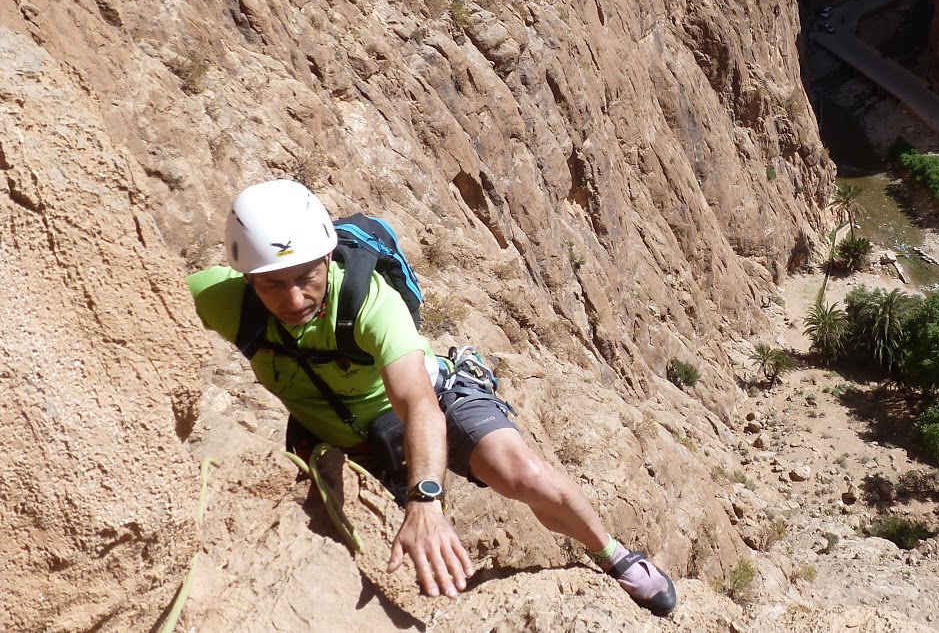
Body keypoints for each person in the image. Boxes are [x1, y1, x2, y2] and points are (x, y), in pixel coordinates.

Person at [186, 179, 676, 615]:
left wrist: (426, 499)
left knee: (521, 473)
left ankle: (614, 554)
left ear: (328, 259)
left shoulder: (369, 302)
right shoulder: (222, 299)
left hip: (434, 398)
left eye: (307, 277)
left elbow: (418, 404)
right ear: (246, 278)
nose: (294, 300)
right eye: (273, 284)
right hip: (340, 440)